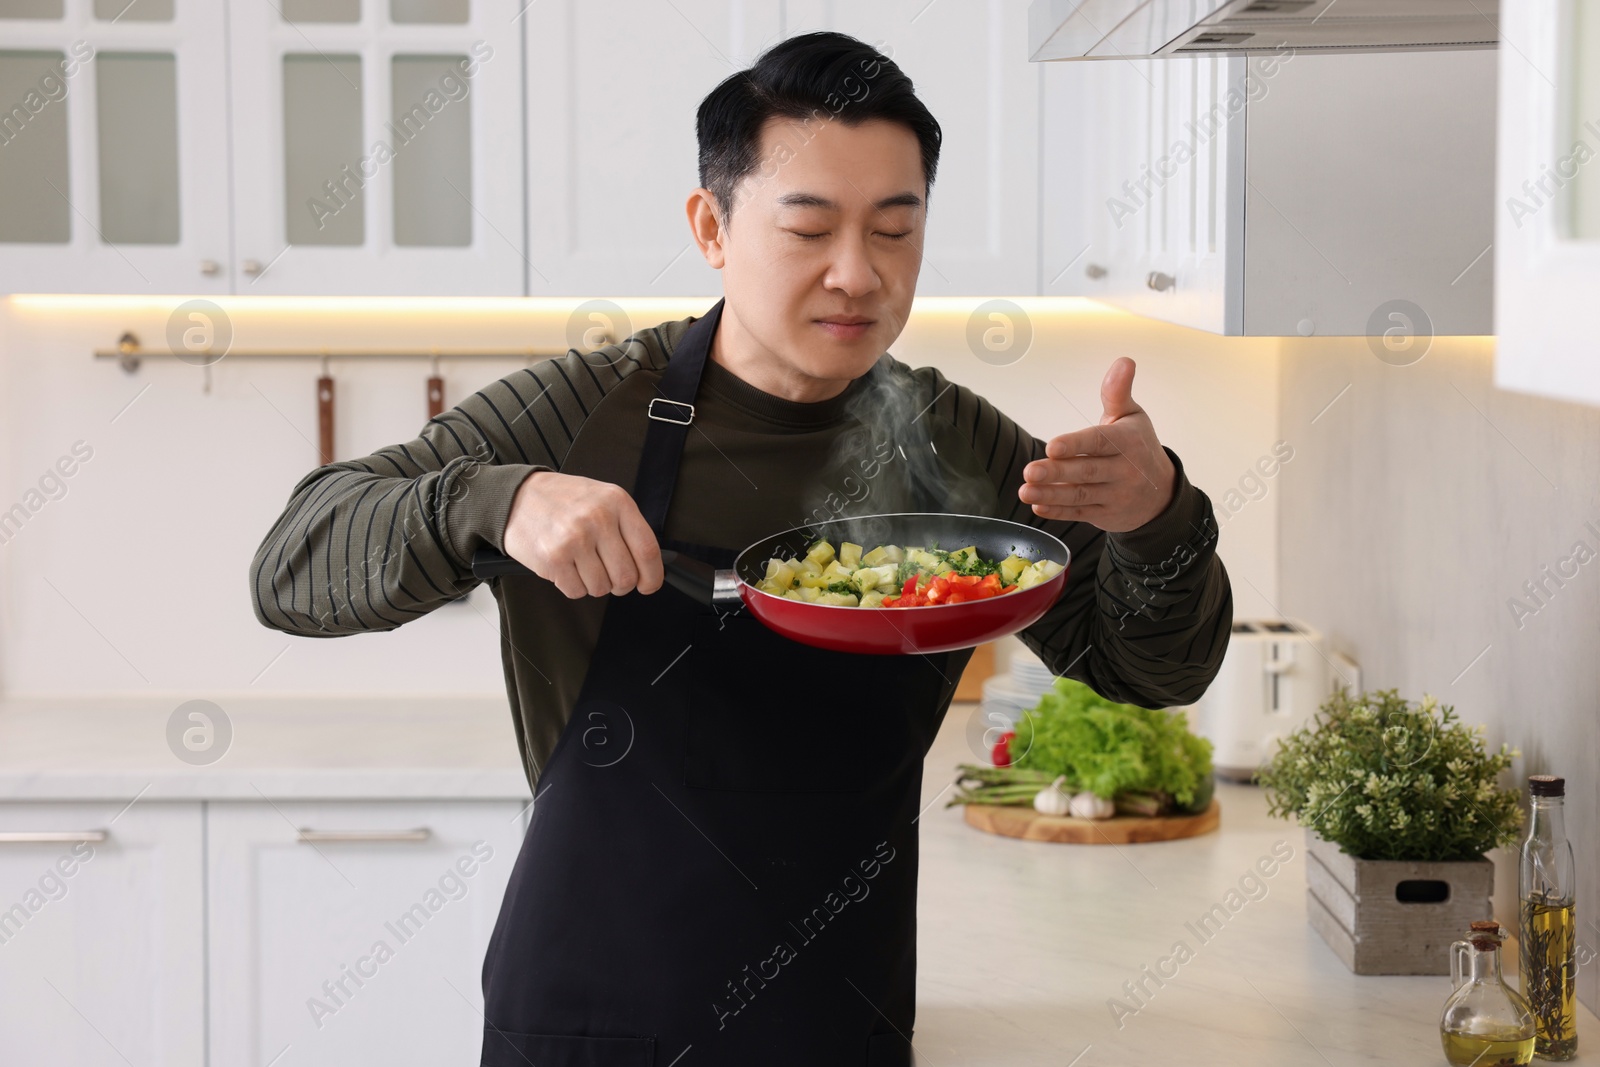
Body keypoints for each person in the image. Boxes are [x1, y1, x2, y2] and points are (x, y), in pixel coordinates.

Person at [250, 31, 1232, 1067]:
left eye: (895, 231)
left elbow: (1152, 666)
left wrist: (1158, 514)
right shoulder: (586, 406)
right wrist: (496, 499)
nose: (856, 274)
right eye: (808, 228)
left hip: (835, 1016)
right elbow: (290, 565)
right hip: (590, 1016)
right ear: (710, 227)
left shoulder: (955, 438)